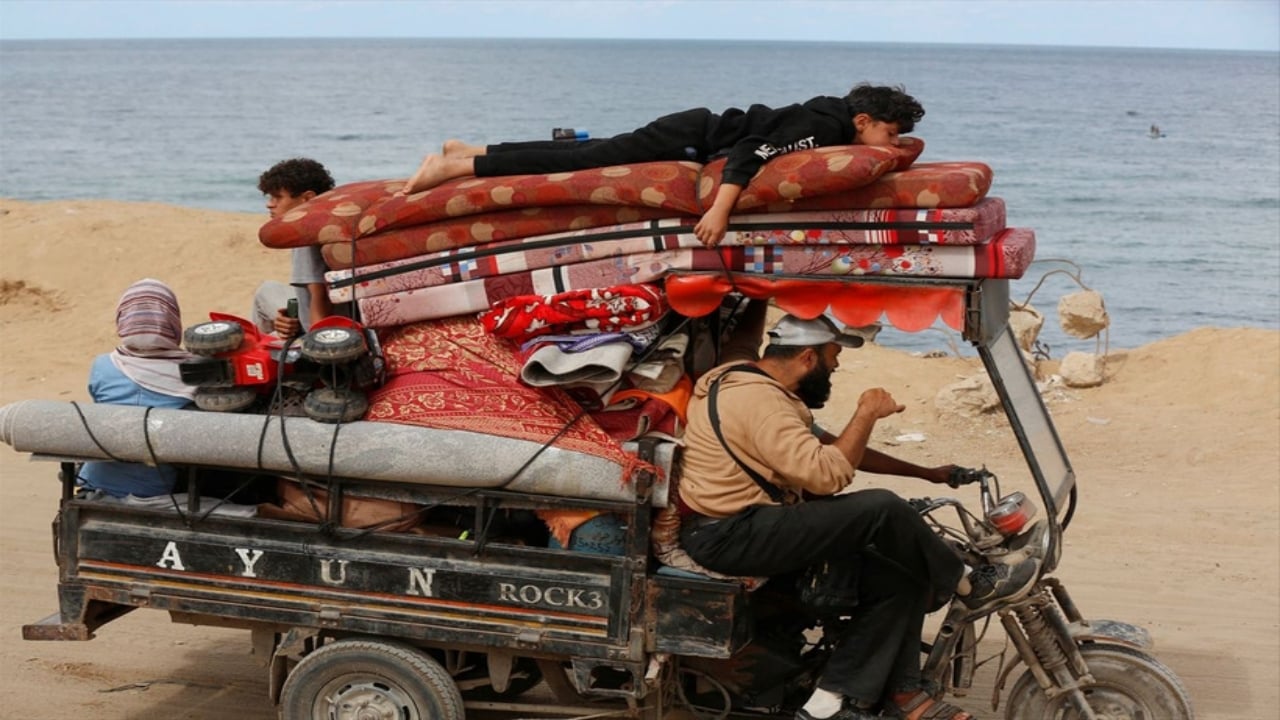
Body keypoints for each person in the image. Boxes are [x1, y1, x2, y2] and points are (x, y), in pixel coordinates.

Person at [677, 306, 1039, 720]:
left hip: (756, 527)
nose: (833, 373)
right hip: (732, 535)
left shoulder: (744, 375)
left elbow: (833, 443)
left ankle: (855, 700)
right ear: (807, 358)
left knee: (900, 578)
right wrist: (866, 411)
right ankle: (972, 584)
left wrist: (927, 474)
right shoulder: (761, 403)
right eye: (832, 362)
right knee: (881, 507)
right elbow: (827, 475)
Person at [396, 84, 924, 246]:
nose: (889, 143)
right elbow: (750, 153)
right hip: (691, 137)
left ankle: (472, 152)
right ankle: (457, 170)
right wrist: (720, 212)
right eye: (889, 133)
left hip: (693, 136)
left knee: (595, 149)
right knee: (586, 161)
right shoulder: (824, 128)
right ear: (862, 120)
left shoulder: (832, 122)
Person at [79, 279, 197, 498]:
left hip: (97, 483)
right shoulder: (195, 372)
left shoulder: (102, 366)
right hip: (160, 489)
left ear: (123, 318)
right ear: (171, 320)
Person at [252, 158, 347, 338]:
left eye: (278, 197)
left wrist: (320, 346)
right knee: (268, 289)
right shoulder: (332, 222)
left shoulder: (305, 235)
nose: (270, 204)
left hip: (320, 332)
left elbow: (320, 299)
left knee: (263, 295)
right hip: (338, 318)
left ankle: (264, 352)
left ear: (308, 198)